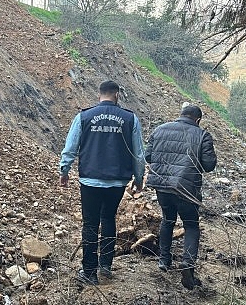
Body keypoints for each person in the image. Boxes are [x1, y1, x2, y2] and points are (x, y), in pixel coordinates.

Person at [59, 80, 145, 285]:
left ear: (100, 94)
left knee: (90, 223)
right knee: (108, 219)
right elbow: (138, 153)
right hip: (117, 181)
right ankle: (105, 265)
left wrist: (64, 170)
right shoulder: (130, 119)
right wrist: (139, 178)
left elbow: (70, 147)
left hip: (90, 179)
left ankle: (89, 272)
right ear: (117, 94)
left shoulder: (83, 116)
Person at [145, 105, 217, 290]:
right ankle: (187, 264)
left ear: (181, 115)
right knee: (191, 225)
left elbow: (148, 156)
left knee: (168, 219)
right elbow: (209, 165)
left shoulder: (160, 129)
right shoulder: (202, 135)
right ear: (198, 120)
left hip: (162, 186)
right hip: (187, 189)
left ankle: (164, 260)